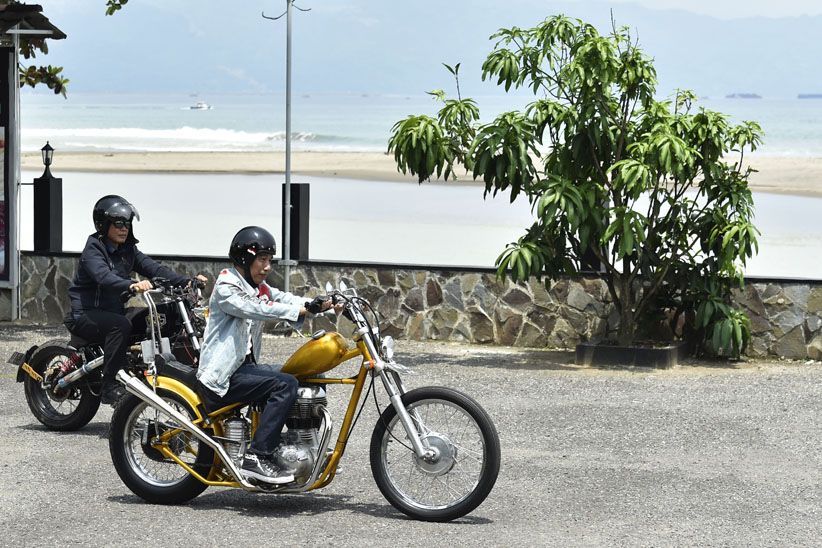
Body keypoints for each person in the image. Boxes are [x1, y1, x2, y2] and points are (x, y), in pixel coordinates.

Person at [195, 226, 332, 485]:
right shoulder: (227, 286)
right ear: (245, 259)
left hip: (245, 369)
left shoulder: (258, 286)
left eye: (270, 260)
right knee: (285, 384)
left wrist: (321, 304)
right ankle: (257, 456)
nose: (267, 267)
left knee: (309, 375)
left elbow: (284, 298)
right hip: (223, 376)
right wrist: (301, 311)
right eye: (262, 260)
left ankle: (301, 446)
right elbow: (257, 308)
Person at [65, 195, 206, 405]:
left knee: (155, 319)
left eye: (127, 224)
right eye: (118, 223)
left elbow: (154, 268)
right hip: (86, 313)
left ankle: (148, 372)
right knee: (120, 325)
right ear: (103, 224)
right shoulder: (93, 249)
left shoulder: (127, 250)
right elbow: (103, 276)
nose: (124, 228)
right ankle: (109, 386)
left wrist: (187, 281)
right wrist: (131, 285)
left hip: (113, 311)